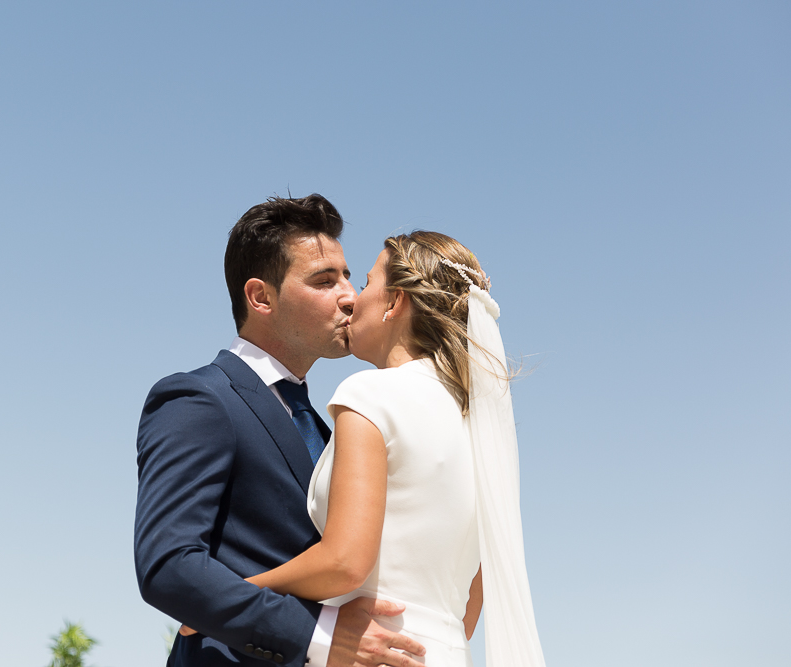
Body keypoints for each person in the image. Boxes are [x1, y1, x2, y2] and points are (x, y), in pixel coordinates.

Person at [183, 231, 547, 666]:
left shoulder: (372, 394)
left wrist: (234, 597)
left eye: (368, 282)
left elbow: (344, 560)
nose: (353, 299)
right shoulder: (479, 426)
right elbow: (472, 603)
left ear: (394, 302)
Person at [134, 194, 427, 667]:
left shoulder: (336, 428)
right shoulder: (198, 400)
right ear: (261, 297)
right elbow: (169, 566)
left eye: (348, 275)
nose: (350, 296)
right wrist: (319, 635)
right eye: (324, 280)